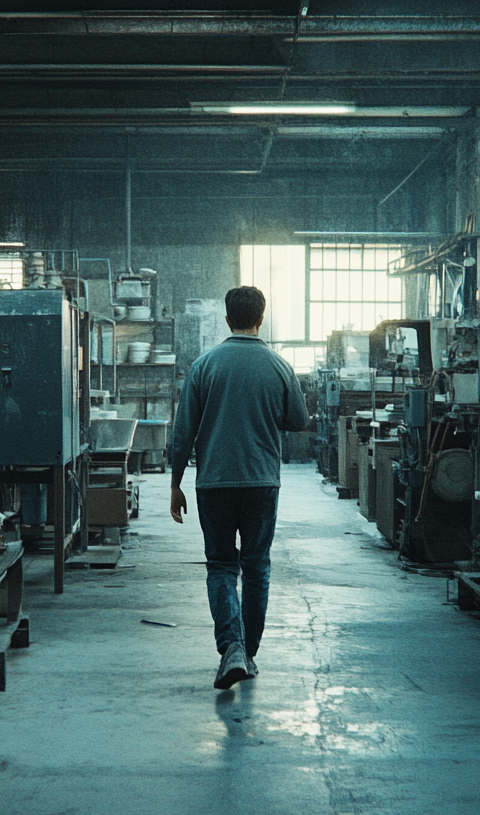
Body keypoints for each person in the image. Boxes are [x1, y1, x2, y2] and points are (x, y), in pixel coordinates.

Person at [169, 286, 309, 689]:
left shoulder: (204, 365)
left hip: (212, 482)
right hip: (262, 482)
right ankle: (247, 653)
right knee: (256, 566)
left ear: (228, 319)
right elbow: (298, 421)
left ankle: (231, 645)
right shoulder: (279, 366)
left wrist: (175, 483)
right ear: (260, 318)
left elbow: (183, 434)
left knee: (220, 565)